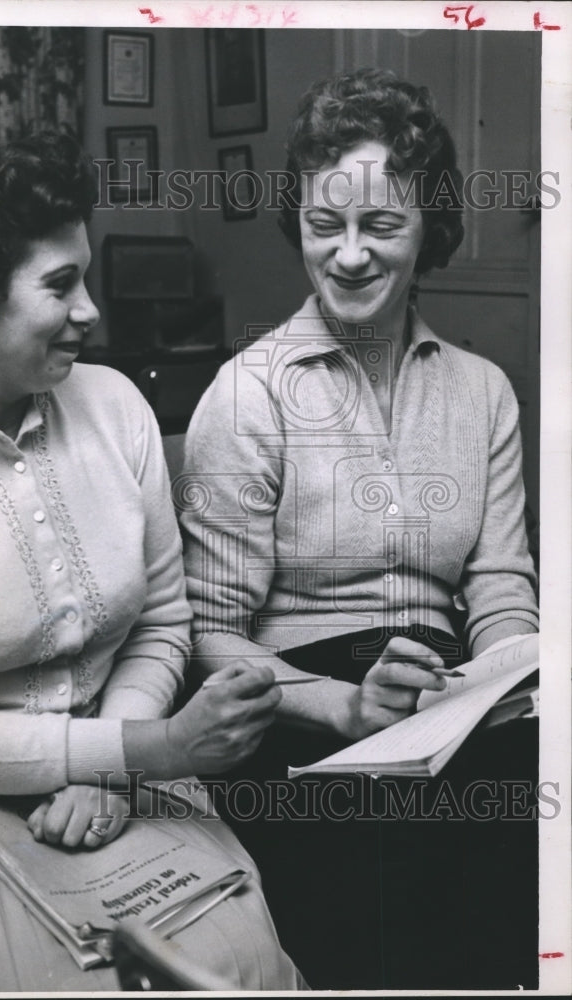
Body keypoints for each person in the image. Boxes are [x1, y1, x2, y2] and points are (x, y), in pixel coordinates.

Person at [0, 130, 303, 993]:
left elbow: (161, 620)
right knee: (53, 976)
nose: (91, 312)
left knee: (236, 955)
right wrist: (149, 749)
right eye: (59, 284)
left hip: (123, 748)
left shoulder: (116, 407)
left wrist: (118, 769)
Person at [179, 69, 539, 989]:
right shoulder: (247, 393)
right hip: (294, 708)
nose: (347, 256)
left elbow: (499, 582)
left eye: (379, 224)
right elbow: (207, 634)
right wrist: (337, 706)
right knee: (386, 880)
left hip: (444, 693)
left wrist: (510, 676)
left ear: (429, 227)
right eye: (322, 225)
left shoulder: (481, 391)